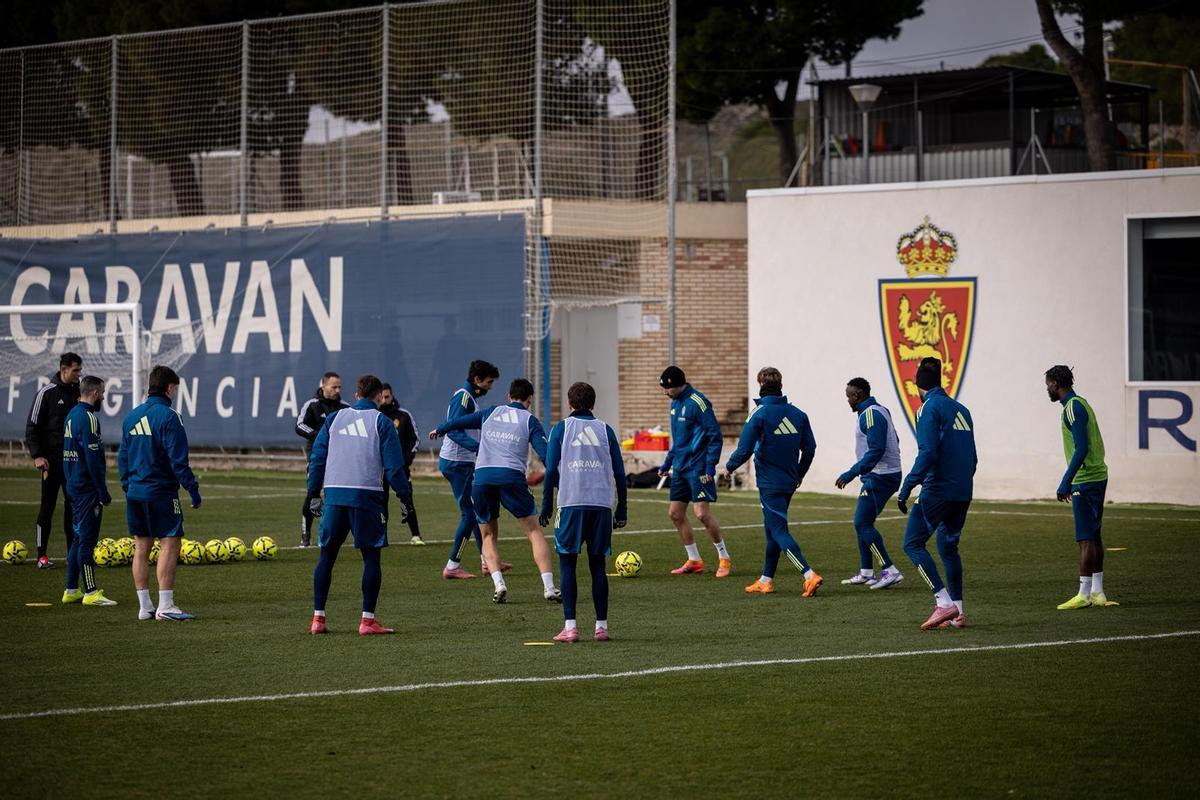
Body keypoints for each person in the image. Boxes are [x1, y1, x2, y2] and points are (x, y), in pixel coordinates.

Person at [432, 378, 560, 605]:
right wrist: (559, 478)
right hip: (511, 477)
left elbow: (457, 421)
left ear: (508, 397)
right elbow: (547, 455)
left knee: (488, 534)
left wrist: (440, 429)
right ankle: (549, 587)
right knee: (534, 531)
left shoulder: (491, 412)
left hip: (482, 478)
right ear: (529, 400)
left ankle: (499, 583)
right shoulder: (530, 420)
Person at [307, 374, 413, 636]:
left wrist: (313, 493)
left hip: (334, 494)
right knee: (371, 557)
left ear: (356, 396)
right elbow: (394, 467)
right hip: (366, 496)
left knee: (327, 556)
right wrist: (404, 498)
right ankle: (367, 621)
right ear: (378, 397)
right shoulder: (382, 421)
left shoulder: (334, 419)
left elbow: (317, 458)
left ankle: (318, 619)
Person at [719, 367, 821, 596]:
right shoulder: (798, 414)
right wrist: (800, 473)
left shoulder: (759, 413)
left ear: (760, 385)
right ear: (781, 386)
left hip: (769, 482)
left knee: (778, 529)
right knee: (771, 530)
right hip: (788, 481)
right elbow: (810, 448)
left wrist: (728, 467)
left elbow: (745, 449)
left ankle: (809, 574)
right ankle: (766, 579)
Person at [539, 382, 628, 642]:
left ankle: (571, 627)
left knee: (567, 563)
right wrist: (621, 507)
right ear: (593, 403)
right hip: (600, 505)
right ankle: (601, 627)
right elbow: (620, 472)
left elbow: (550, 470)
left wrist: (546, 504)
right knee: (597, 566)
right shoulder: (605, 429)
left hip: (570, 503)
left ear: (569, 404)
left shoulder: (561, 429)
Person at [896, 357, 977, 630]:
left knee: (912, 543)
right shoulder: (962, 410)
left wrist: (908, 486)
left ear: (918, 386)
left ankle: (944, 603)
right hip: (963, 489)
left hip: (938, 489)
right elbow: (973, 457)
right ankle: (959, 613)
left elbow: (928, 452)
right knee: (947, 546)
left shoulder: (927, 409)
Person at [119, 365, 202, 622]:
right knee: (170, 542)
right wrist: (192, 489)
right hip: (161, 492)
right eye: (174, 388)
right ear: (169, 388)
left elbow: (122, 457)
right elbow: (179, 460)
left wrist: (127, 485)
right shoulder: (170, 417)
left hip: (135, 491)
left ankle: (145, 607)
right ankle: (165, 605)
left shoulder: (131, 417)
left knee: (141, 546)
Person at [1045, 365, 1111, 610]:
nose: (1047, 390)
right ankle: (1098, 591)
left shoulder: (1072, 407)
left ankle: (1083, 594)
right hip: (1097, 475)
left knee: (1085, 539)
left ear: (1057, 383)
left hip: (1085, 479)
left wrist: (1066, 481)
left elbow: (1081, 448)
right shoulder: (1081, 403)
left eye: (1048, 385)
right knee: (1094, 536)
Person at [438, 359, 510, 580]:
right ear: (477, 380)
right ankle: (452, 565)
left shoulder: (469, 398)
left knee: (477, 510)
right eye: (488, 382)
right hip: (457, 463)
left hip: (462, 462)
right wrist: (480, 448)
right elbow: (453, 430)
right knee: (469, 514)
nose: (490, 387)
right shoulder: (463, 398)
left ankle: (487, 561)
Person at [657, 365, 731, 577]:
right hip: (680, 468)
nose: (665, 393)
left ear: (677, 385)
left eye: (667, 388)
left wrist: (710, 465)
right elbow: (678, 441)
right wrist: (667, 463)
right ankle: (694, 560)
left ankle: (724, 558)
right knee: (675, 514)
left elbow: (715, 436)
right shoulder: (674, 404)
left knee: (702, 514)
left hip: (699, 468)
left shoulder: (699, 402)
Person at [834, 377, 905, 589]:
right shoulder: (880, 410)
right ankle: (866, 572)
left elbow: (876, 450)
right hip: (881, 474)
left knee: (862, 523)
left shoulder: (871, 414)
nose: (848, 400)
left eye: (849, 396)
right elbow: (895, 440)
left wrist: (852, 473)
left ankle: (890, 570)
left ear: (858, 395)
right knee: (863, 523)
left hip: (881, 476)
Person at [61, 376, 116, 607]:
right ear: (94, 393)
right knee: (87, 540)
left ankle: (71, 589)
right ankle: (91, 591)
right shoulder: (89, 418)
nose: (103, 397)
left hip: (73, 485)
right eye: (102, 393)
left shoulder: (72, 415)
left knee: (77, 537)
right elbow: (93, 460)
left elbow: (67, 455)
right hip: (87, 490)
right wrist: (102, 491)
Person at [25, 352, 82, 568]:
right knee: (47, 507)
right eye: (75, 370)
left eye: (79, 370)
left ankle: (71, 555)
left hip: (72, 463)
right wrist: (37, 455)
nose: (78, 374)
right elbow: (32, 427)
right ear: (63, 369)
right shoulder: (47, 393)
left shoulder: (79, 392)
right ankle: (41, 556)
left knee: (72, 508)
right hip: (50, 462)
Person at [295, 372, 348, 547]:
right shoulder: (312, 405)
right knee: (312, 494)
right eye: (334, 386)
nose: (337, 390)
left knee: (337, 495)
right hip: (317, 457)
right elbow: (300, 425)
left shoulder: (345, 407)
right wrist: (320, 437)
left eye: (339, 387)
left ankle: (333, 535)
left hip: (339, 458)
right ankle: (305, 535)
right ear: (323, 386)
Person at [379, 383, 425, 545]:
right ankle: (382, 537)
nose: (384, 400)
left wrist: (405, 461)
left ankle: (416, 535)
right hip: (379, 470)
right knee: (380, 502)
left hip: (400, 469)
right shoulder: (374, 415)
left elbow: (415, 439)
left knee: (407, 499)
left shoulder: (403, 415)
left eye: (387, 396)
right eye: (382, 397)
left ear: (392, 396)